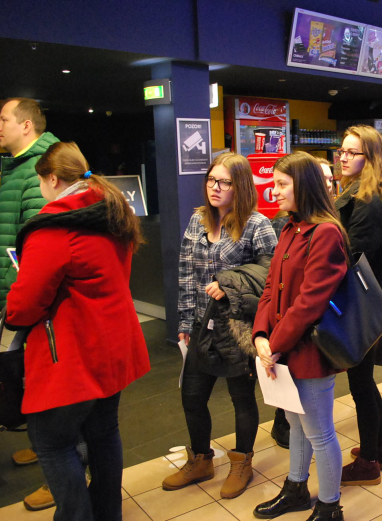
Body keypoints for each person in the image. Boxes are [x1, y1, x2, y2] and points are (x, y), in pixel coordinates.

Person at [5, 142, 150, 521]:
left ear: (52, 179)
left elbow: (23, 307)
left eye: (40, 181)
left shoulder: (53, 229)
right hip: (112, 346)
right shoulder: (112, 213)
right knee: (103, 433)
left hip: (70, 356)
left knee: (51, 443)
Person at [163, 153, 277, 498]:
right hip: (202, 325)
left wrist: (229, 284)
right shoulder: (198, 221)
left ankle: (242, 461)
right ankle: (201, 459)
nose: (215, 187)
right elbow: (185, 274)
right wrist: (184, 319)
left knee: (241, 398)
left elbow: (271, 275)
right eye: (211, 180)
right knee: (192, 396)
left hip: (238, 328)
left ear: (239, 186)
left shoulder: (257, 225)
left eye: (224, 182)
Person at [253, 152, 348, 521]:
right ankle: (296, 488)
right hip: (284, 349)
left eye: (280, 184)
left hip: (309, 351)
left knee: (320, 432)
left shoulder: (325, 233)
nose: (272, 191)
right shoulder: (291, 228)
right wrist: (261, 335)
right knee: (294, 422)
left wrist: (272, 345)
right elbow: (269, 288)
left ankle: (329, 506)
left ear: (303, 185)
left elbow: (310, 303)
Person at [0, 98, 60, 510]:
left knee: (46, 389)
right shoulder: (17, 167)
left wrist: (22, 300)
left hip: (31, 307)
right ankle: (43, 447)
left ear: (27, 125)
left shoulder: (41, 170)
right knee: (28, 383)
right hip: (17, 302)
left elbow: (40, 247)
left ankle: (59, 470)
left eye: (3, 119)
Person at [335, 125, 382, 485]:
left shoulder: (369, 200)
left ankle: (369, 463)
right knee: (363, 381)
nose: (343, 157)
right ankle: (378, 449)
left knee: (361, 383)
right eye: (342, 151)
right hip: (367, 300)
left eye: (352, 152)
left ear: (371, 159)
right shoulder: (362, 193)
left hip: (362, 303)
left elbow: (352, 255)